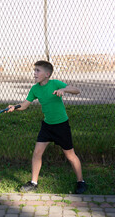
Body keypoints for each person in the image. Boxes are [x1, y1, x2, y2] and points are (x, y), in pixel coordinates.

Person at [7, 60, 87, 194]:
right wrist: (14, 107)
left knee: (70, 155)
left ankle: (81, 182)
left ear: (47, 74)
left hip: (61, 125)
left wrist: (63, 89)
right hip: (47, 126)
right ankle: (33, 183)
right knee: (37, 153)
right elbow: (25, 104)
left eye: (38, 71)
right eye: (34, 70)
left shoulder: (55, 83)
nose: (35, 73)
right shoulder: (35, 88)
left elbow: (77, 90)